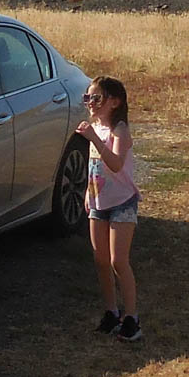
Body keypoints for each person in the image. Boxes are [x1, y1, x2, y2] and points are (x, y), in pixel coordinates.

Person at [74, 76, 143, 342]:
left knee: (118, 261)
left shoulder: (119, 130)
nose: (90, 103)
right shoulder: (96, 127)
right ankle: (111, 312)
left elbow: (114, 164)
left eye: (97, 98)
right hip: (98, 204)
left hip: (122, 203)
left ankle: (132, 318)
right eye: (87, 98)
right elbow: (93, 168)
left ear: (115, 102)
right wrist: (86, 194)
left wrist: (93, 138)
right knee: (101, 260)